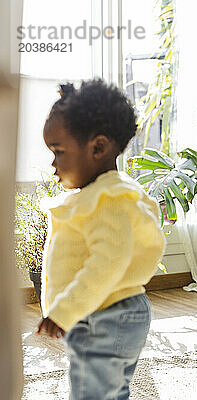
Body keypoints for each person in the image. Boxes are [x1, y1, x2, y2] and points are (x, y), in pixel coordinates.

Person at [36, 80, 165, 399]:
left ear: (97, 147)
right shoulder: (105, 193)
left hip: (106, 315)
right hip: (105, 313)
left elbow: (106, 264)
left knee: (92, 393)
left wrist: (64, 310)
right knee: (103, 390)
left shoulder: (108, 199)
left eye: (58, 152)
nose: (53, 165)